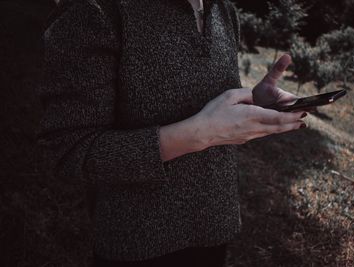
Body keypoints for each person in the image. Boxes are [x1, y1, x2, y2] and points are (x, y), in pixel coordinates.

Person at [35, 0, 308, 266]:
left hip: (214, 228)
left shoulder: (223, 11)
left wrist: (254, 100)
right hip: (138, 244)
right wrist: (197, 134)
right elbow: (69, 152)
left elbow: (203, 97)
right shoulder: (95, 10)